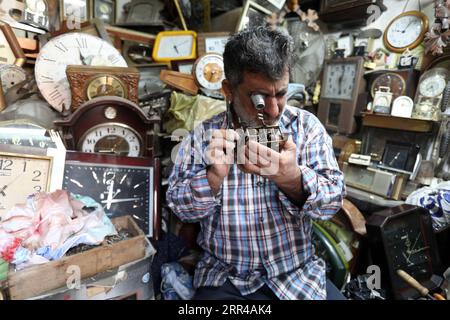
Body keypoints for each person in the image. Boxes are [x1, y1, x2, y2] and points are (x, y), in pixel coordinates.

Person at [166, 26, 345, 300]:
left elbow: (331, 204)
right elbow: (180, 208)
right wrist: (212, 178)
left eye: (282, 94)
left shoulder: (306, 127)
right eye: (259, 98)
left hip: (297, 277)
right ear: (228, 90)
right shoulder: (202, 137)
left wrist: (293, 179)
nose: (273, 111)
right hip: (226, 279)